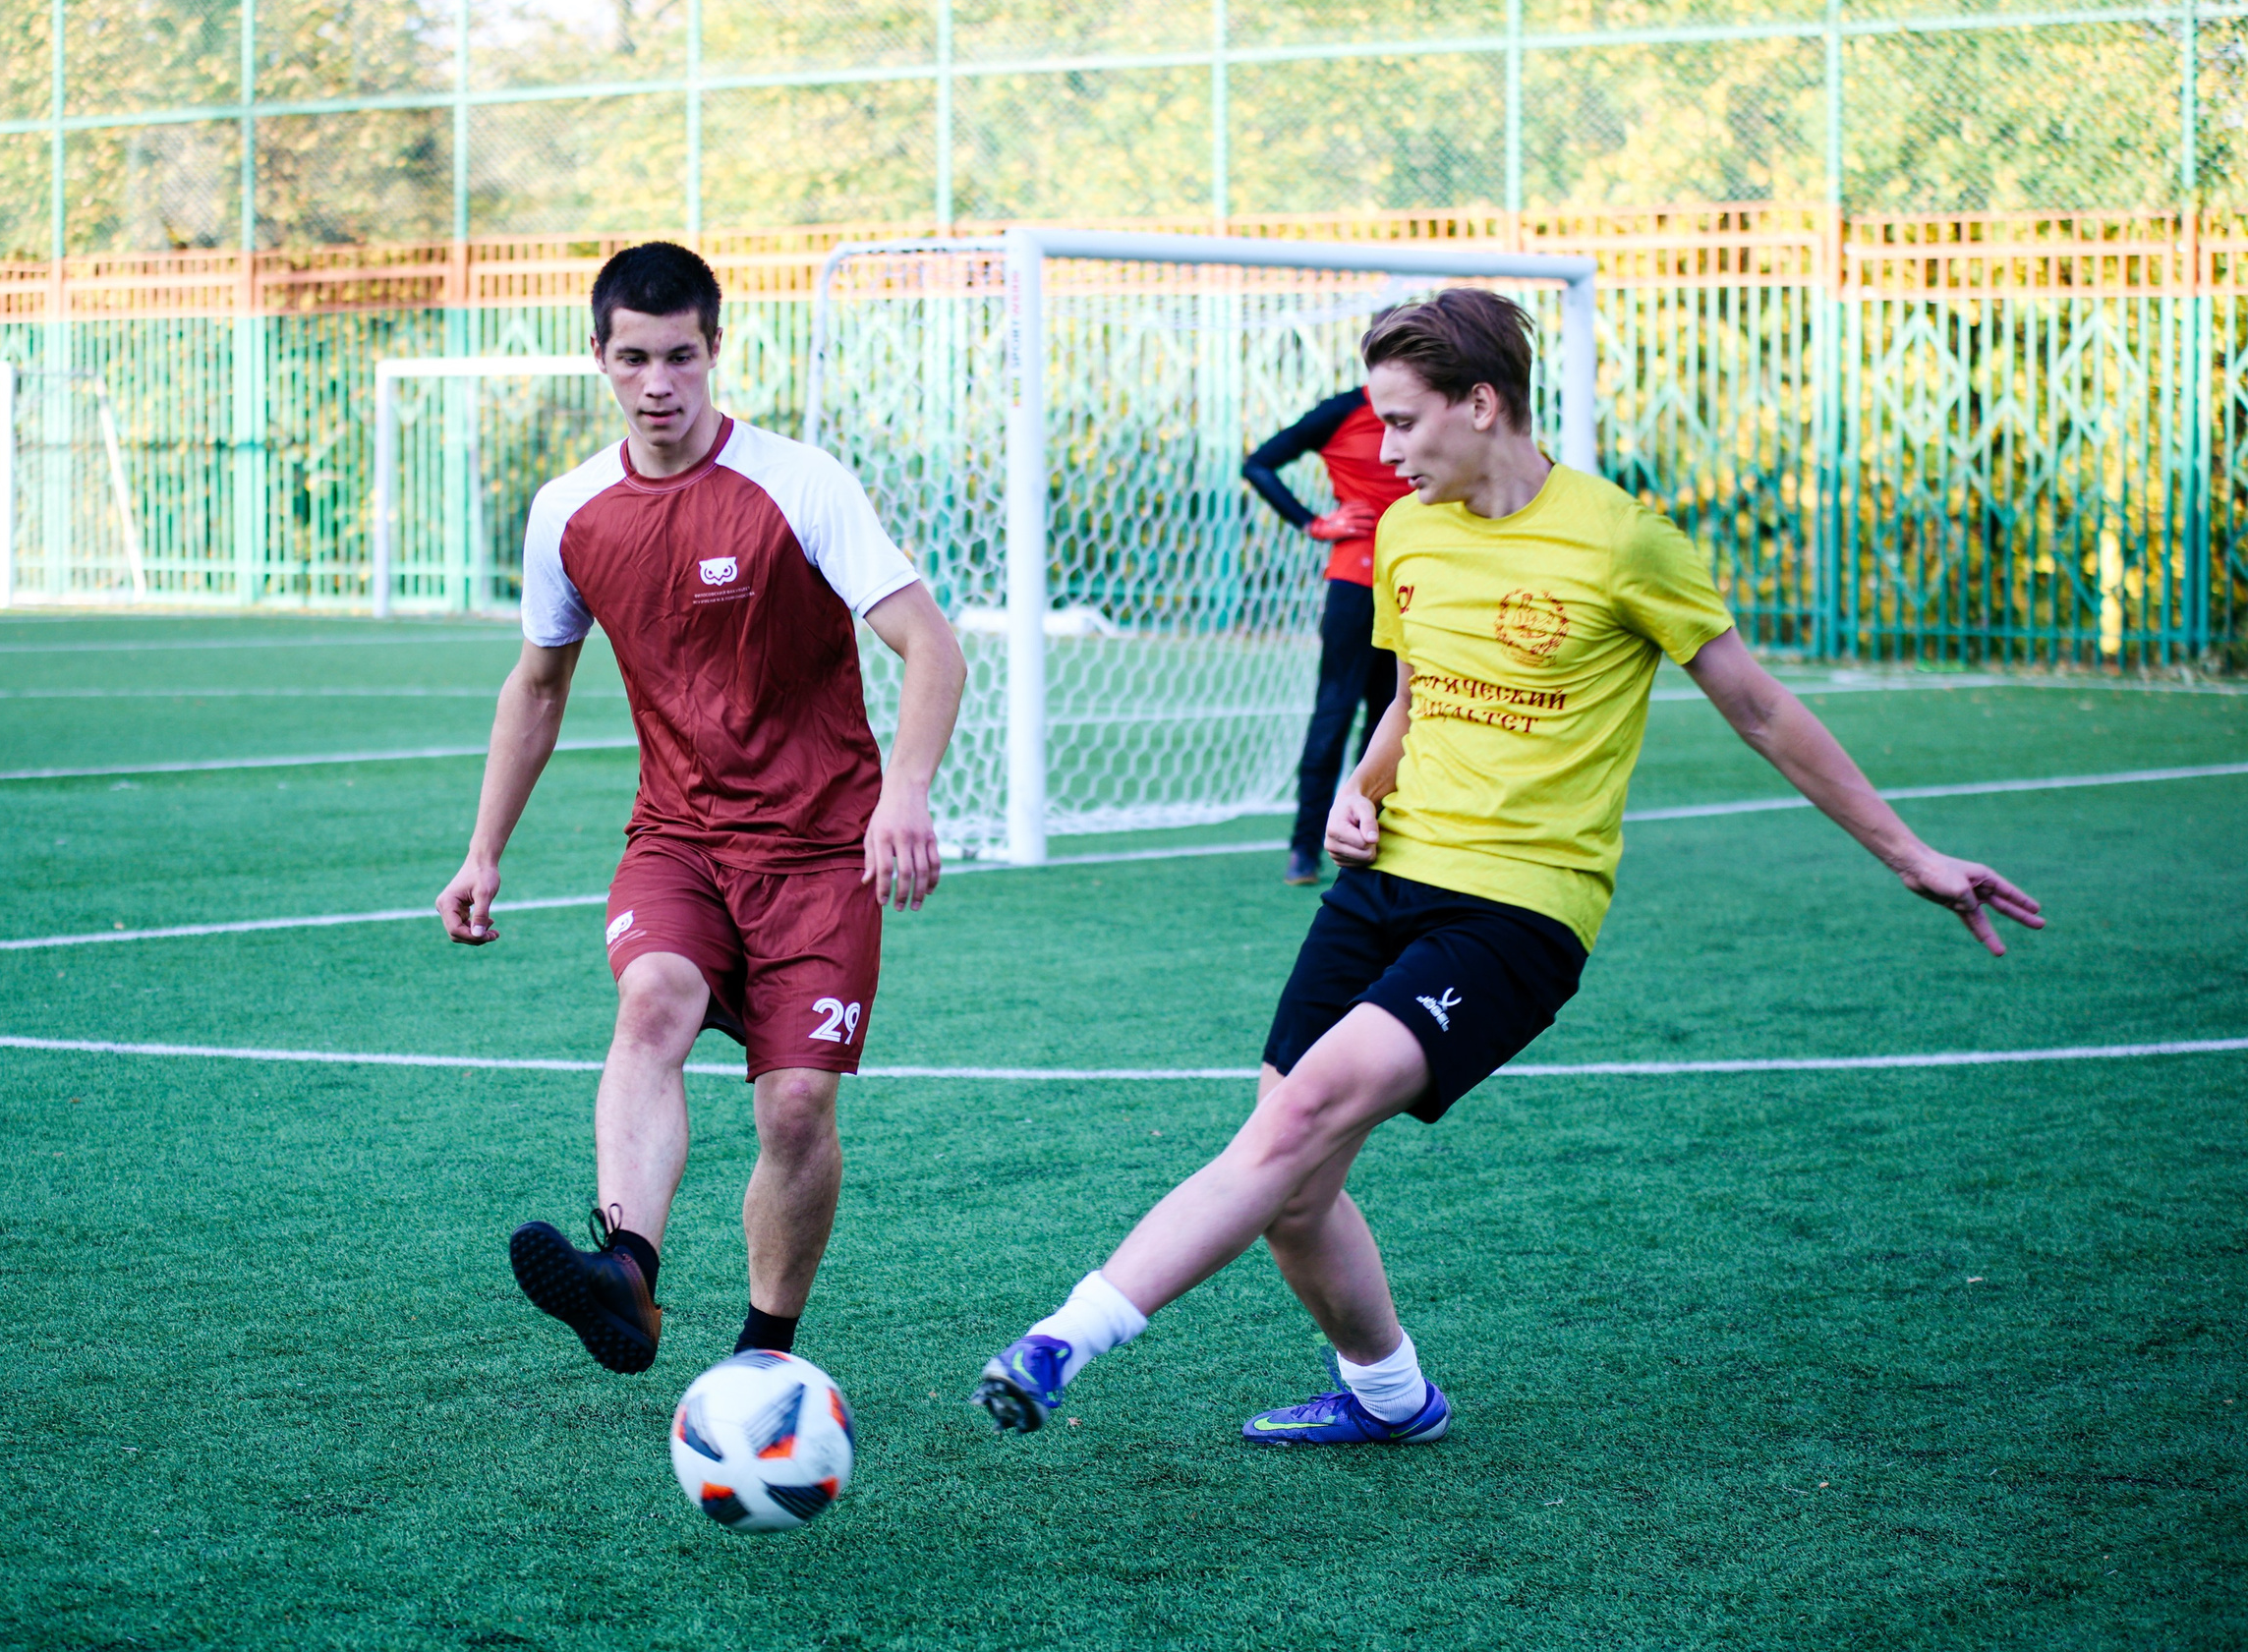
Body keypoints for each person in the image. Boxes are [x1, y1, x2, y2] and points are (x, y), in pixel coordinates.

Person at [972, 289, 2043, 1445]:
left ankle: (1063, 1339)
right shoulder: (1408, 531)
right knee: (1293, 1183)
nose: (1383, 451)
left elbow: (1762, 711)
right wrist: (1360, 791)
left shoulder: (1623, 539)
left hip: (1516, 912)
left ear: (1480, 404)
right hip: (1383, 883)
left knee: (1296, 1124)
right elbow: (1413, 698)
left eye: (1400, 421)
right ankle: (1392, 1399)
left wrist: (1909, 854)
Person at [437, 242, 966, 1374]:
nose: (658, 384)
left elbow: (931, 646)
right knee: (652, 1002)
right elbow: (537, 686)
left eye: (680, 356)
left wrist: (906, 792)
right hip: (678, 837)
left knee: (794, 1109)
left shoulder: (799, 483)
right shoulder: (569, 512)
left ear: (715, 349)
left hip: (821, 851)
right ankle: (626, 1273)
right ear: (597, 356)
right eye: (634, 358)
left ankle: (763, 1351)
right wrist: (483, 851)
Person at [1242, 385, 1414, 886]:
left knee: (1392, 711)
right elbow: (1258, 464)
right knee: (1335, 710)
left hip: (1415, 579)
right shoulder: (1343, 410)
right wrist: (1314, 524)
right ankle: (1304, 847)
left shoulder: (1432, 407)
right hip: (1356, 580)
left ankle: (1367, 839)